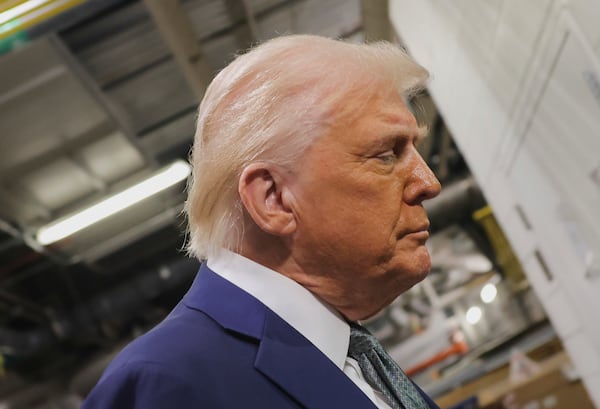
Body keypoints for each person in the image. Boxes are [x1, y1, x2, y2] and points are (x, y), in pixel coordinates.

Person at [82, 34, 442, 409]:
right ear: (273, 199)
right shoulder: (166, 385)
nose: (429, 183)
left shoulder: (349, 354)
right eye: (386, 155)